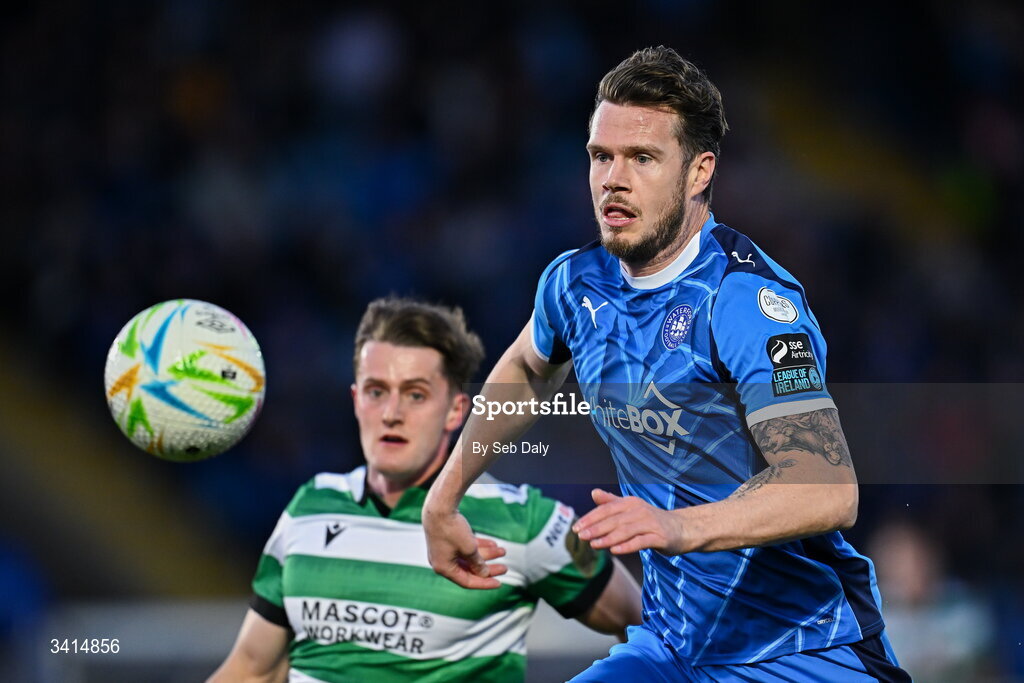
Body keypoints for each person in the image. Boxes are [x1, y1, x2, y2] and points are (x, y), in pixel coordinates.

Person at [422, 46, 910, 681]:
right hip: (673, 650)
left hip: (801, 651)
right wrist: (445, 495)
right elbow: (525, 370)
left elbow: (826, 486)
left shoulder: (748, 306)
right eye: (601, 156)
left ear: (699, 170)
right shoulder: (575, 284)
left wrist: (674, 527)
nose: (612, 180)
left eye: (643, 159)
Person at [207, 297, 641, 683]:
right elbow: (252, 668)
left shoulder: (524, 521)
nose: (392, 413)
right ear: (356, 399)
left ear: (456, 411)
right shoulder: (309, 507)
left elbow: (646, 629)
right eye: (377, 392)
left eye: (415, 395)